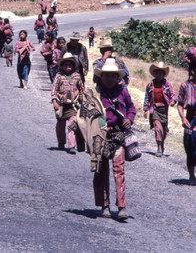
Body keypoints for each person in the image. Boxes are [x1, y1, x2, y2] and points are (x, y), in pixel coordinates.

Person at [93, 58, 136, 220]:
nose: (109, 79)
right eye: (106, 76)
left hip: (118, 135)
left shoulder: (122, 91)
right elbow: (88, 113)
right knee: (102, 171)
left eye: (113, 76)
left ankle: (121, 206)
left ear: (117, 77)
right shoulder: (96, 93)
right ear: (101, 76)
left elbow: (131, 108)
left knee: (119, 170)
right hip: (101, 136)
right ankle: (105, 206)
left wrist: (129, 119)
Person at [51, 53, 84, 153]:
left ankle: (71, 146)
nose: (68, 66)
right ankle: (61, 142)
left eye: (70, 64)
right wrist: (55, 102)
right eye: (65, 65)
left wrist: (83, 101)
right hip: (61, 105)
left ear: (73, 66)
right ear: (62, 65)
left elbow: (82, 90)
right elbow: (54, 91)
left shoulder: (77, 76)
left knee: (72, 125)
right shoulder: (59, 76)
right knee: (60, 126)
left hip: (73, 106)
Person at [143, 62, 176, 157]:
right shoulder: (150, 84)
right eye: (156, 73)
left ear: (163, 74)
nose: (158, 75)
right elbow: (147, 97)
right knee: (158, 128)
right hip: (155, 109)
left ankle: (162, 144)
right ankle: (159, 148)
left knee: (164, 131)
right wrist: (145, 109)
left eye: (160, 73)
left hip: (164, 110)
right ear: (154, 74)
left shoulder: (167, 84)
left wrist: (173, 101)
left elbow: (173, 96)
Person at [177, 60, 196, 185]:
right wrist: (183, 119)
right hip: (190, 120)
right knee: (190, 148)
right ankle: (191, 176)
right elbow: (179, 104)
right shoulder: (185, 86)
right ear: (193, 71)